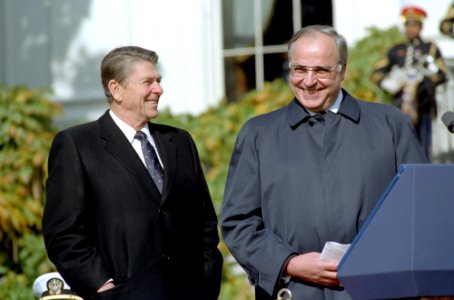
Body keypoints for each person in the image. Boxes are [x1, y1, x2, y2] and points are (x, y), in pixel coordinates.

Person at [220, 25, 428, 300]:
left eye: (320, 70)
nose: (308, 81)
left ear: (342, 71)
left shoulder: (391, 125)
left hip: (378, 291)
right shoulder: (259, 134)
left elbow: (419, 211)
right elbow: (239, 222)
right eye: (299, 70)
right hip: (294, 291)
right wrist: (288, 263)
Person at [43, 46, 223, 300]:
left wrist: (206, 279)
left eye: (158, 81)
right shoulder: (78, 145)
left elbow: (205, 223)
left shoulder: (180, 142)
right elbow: (64, 236)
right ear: (116, 89)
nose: (158, 89)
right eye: (148, 82)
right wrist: (102, 287)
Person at [372, 5, 448, 160]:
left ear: (420, 27)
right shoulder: (396, 50)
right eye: (408, 25)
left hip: (423, 105)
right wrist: (386, 82)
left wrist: (422, 81)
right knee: (401, 144)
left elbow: (442, 74)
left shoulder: (430, 49)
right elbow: (377, 72)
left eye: (414, 25)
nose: (411, 29)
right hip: (400, 106)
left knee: (422, 145)